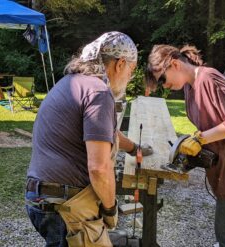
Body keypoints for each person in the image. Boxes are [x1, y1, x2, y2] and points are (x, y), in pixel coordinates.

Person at [25, 31, 153, 247]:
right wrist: (110, 207)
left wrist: (135, 148)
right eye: (131, 71)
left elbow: (105, 133)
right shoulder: (99, 92)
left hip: (42, 197)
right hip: (65, 205)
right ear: (120, 64)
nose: (129, 78)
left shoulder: (71, 82)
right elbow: (99, 169)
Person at [146, 44, 225, 247]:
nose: (164, 86)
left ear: (174, 64)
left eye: (163, 80)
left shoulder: (209, 78)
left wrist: (200, 139)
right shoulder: (189, 87)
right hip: (224, 169)